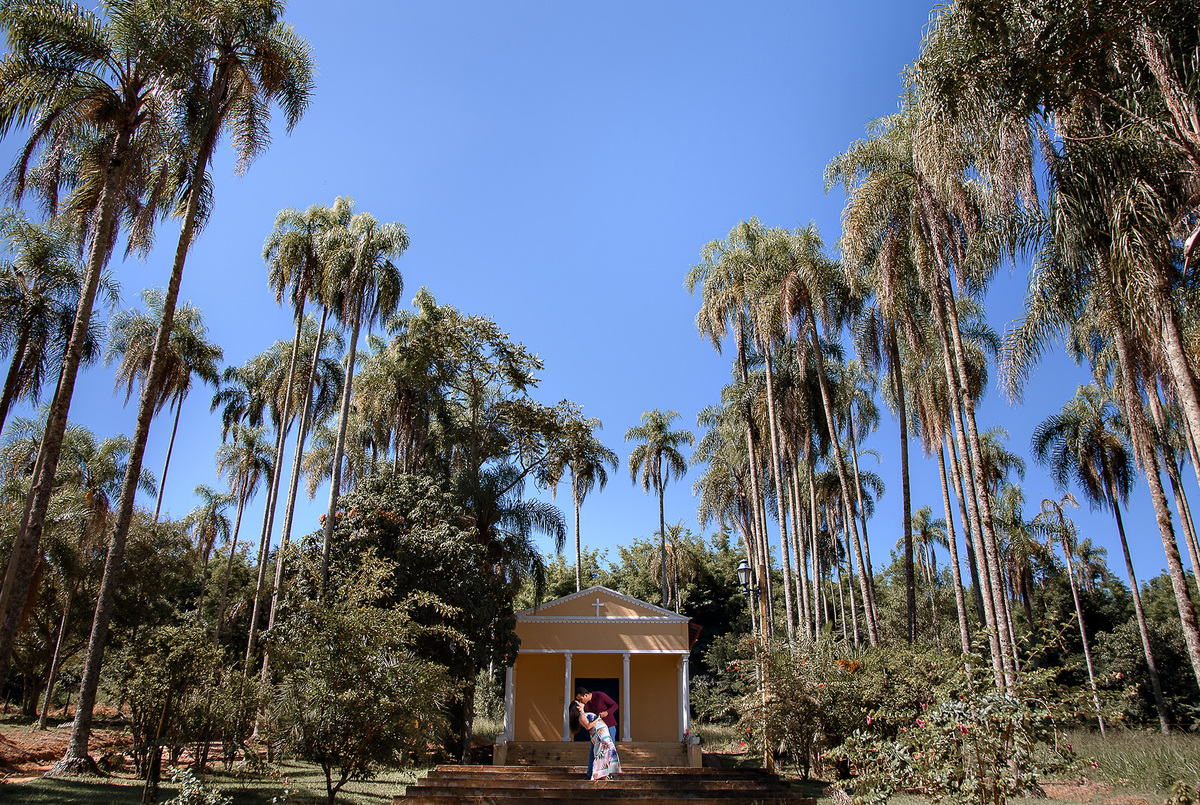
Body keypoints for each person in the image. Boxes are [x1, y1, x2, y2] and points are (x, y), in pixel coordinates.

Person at [569, 701, 621, 781]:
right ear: (577, 707)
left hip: (603, 734)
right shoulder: (581, 716)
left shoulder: (585, 714)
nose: (581, 702)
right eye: (579, 703)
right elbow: (588, 726)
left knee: (608, 751)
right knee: (602, 752)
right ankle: (601, 775)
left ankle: (606, 774)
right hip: (599, 736)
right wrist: (598, 718)